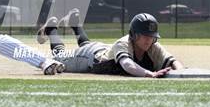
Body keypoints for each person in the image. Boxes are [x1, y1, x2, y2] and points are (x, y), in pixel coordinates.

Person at [37, 9, 184, 77]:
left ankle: (75, 24)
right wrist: (149, 74)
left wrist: (181, 73)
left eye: (151, 36)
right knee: (59, 58)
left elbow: (173, 61)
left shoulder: (153, 45)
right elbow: (127, 65)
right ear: (134, 35)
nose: (148, 39)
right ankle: (51, 30)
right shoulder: (124, 43)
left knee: (86, 45)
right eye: (144, 35)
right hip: (90, 57)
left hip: (104, 50)